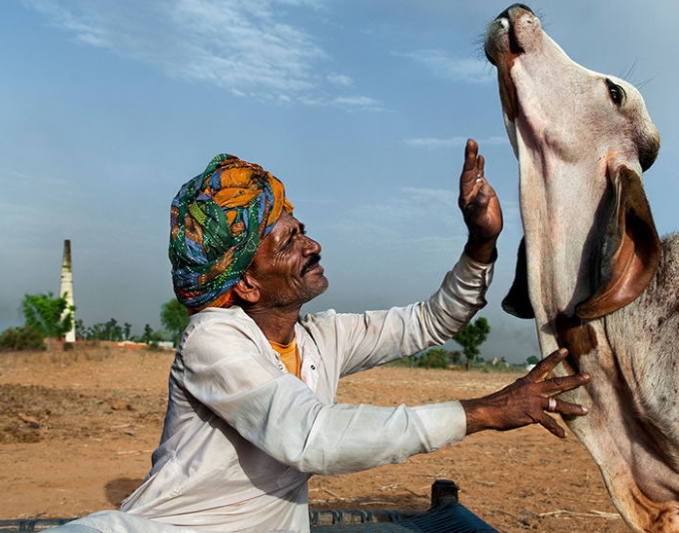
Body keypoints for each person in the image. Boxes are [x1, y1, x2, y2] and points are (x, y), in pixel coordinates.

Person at [55, 139, 589, 533]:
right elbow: (311, 437)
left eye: (302, 229)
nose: (312, 245)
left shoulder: (317, 340)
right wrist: (485, 412)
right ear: (244, 283)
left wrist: (481, 243)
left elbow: (430, 321)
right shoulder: (211, 340)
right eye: (289, 240)